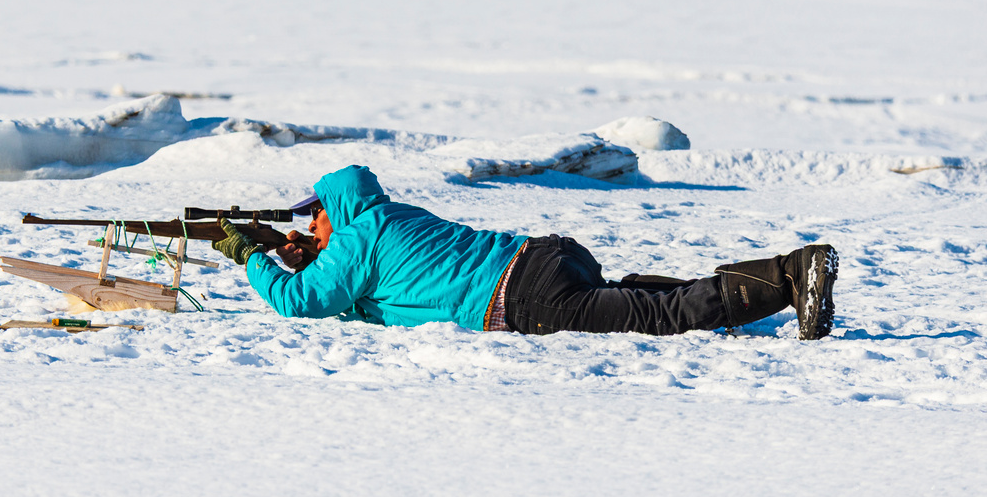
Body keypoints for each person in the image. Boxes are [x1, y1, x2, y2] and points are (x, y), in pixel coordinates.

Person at [213, 164, 838, 340]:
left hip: (522, 296)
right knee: (624, 297)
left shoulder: (354, 239)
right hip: (547, 256)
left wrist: (249, 255)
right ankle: (781, 277)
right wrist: (308, 256)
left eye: (314, 215)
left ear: (334, 209)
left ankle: (791, 274)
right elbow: (365, 286)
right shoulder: (388, 216)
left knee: (655, 317)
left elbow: (300, 302)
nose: (311, 226)